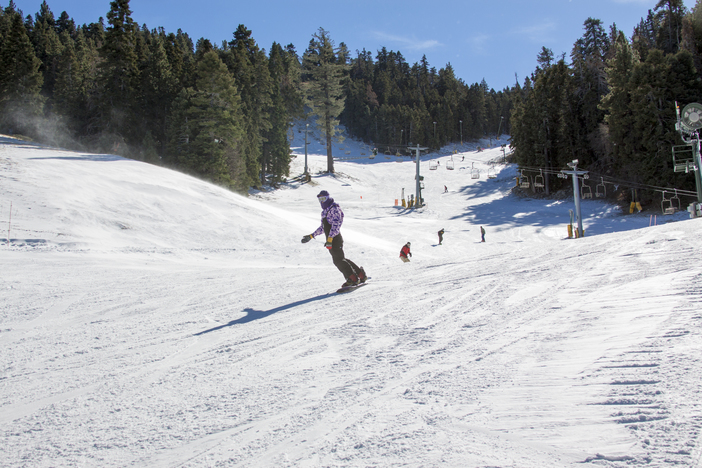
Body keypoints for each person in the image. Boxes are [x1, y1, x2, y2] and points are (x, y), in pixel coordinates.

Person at [301, 190, 367, 288]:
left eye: (323, 198)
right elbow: (323, 227)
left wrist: (330, 238)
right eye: (320, 199)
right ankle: (360, 275)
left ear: (328, 198)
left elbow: (336, 225)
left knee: (338, 260)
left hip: (335, 238)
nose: (322, 201)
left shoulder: (334, 208)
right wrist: (311, 236)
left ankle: (352, 278)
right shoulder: (324, 212)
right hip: (330, 239)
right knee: (340, 259)